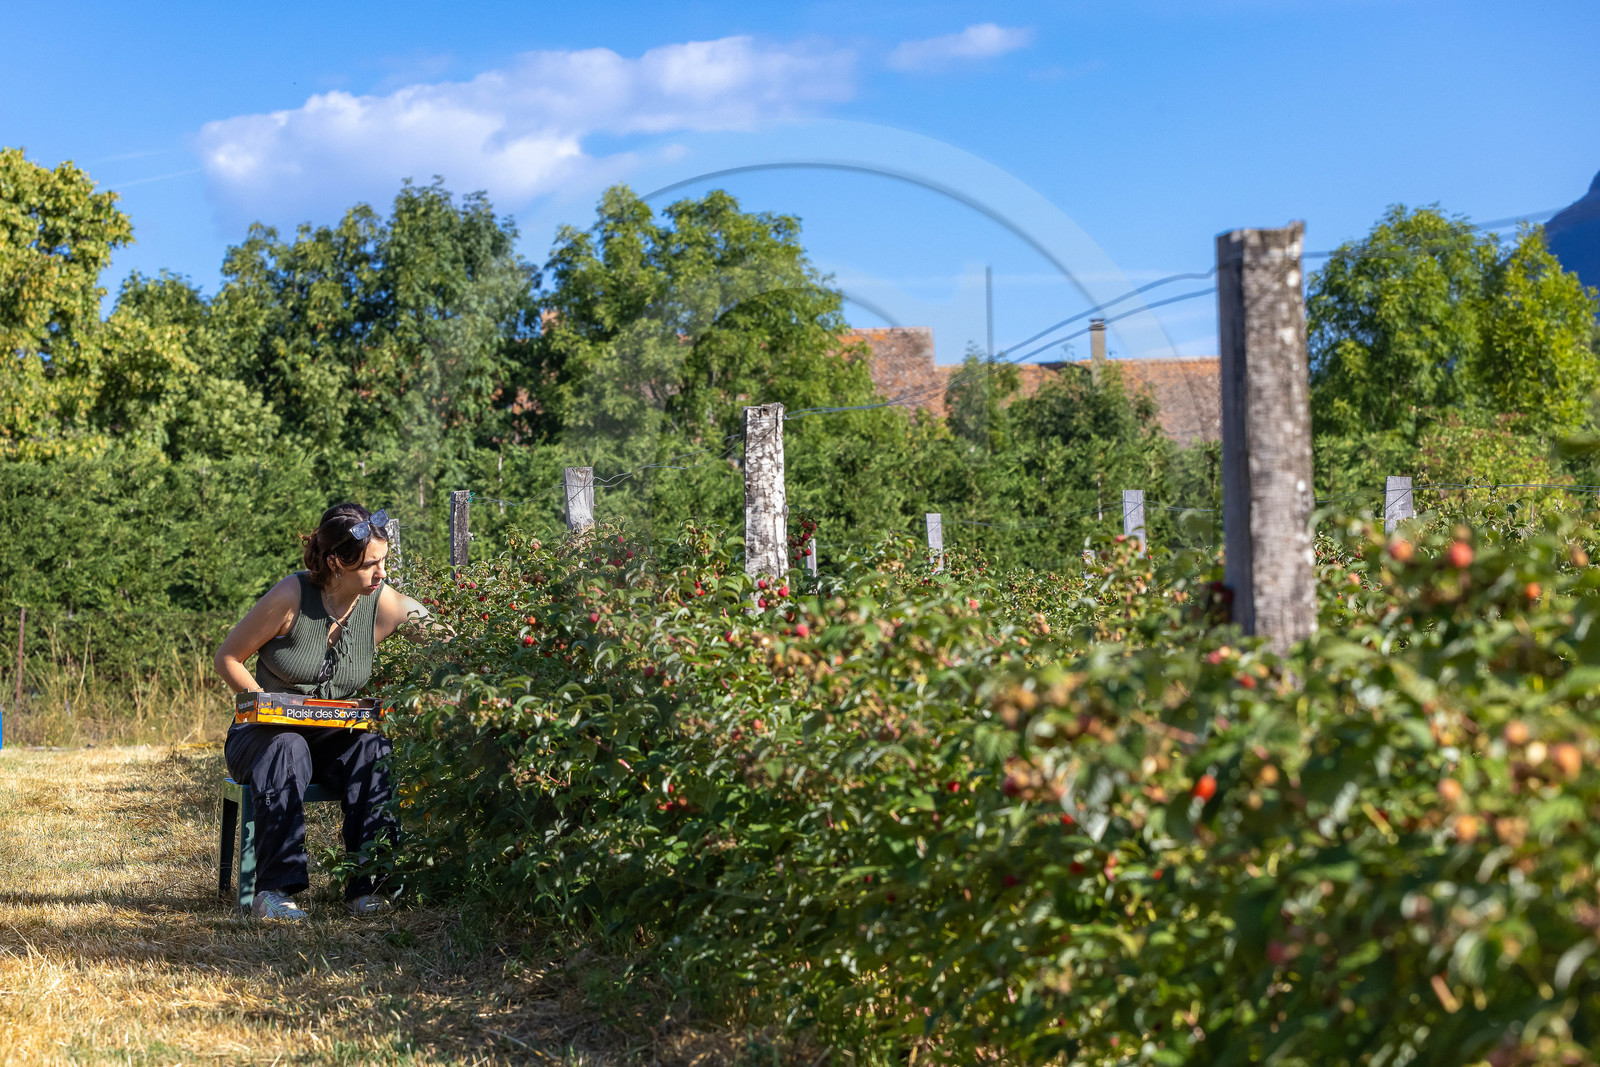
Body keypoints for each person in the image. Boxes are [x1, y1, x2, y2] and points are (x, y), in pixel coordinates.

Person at [214, 503, 430, 921]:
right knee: (287, 745)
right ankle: (274, 892)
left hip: (330, 737)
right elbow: (227, 658)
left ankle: (370, 887)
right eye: (370, 565)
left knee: (372, 746)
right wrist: (267, 706)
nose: (381, 574)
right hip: (261, 738)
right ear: (336, 562)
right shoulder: (291, 595)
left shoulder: (378, 601)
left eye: (383, 561)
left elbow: (439, 632)